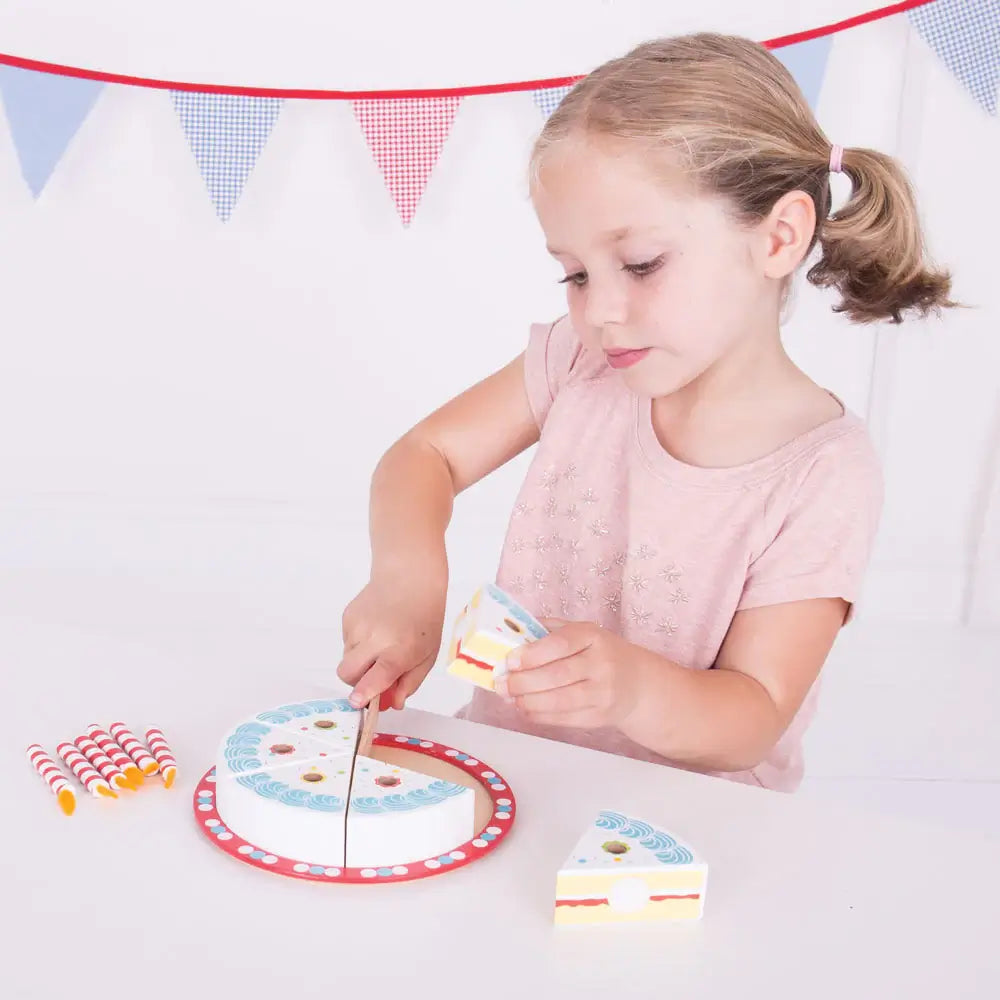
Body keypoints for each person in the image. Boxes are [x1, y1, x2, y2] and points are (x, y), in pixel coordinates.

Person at [335, 33, 955, 791]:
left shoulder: (823, 470)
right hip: (514, 785)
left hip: (691, 839)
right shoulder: (578, 362)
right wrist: (407, 578)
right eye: (574, 274)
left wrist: (632, 690)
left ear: (779, 237)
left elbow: (755, 714)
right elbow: (425, 456)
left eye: (640, 265)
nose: (601, 310)